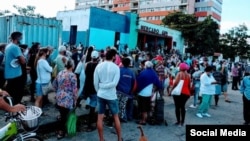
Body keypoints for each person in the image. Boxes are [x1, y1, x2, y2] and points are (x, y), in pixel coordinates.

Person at [94, 48, 122, 141]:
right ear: (114, 57)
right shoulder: (116, 67)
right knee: (115, 117)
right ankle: (119, 138)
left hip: (101, 94)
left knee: (100, 117)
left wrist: (100, 88)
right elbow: (114, 83)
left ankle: (101, 139)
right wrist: (104, 87)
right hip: (111, 95)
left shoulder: (99, 66)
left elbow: (95, 82)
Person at [52, 59, 78, 139]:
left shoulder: (60, 73)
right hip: (68, 99)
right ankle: (61, 132)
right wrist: (75, 100)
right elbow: (74, 90)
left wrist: (58, 92)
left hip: (59, 97)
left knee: (63, 114)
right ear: (72, 66)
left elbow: (54, 85)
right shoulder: (72, 76)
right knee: (64, 116)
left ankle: (60, 130)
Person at [136, 61, 162, 125]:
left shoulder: (143, 72)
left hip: (142, 93)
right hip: (149, 93)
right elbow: (158, 84)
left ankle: (143, 120)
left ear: (145, 66)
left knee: (142, 108)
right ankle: (146, 118)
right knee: (147, 107)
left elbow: (138, 81)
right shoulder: (154, 73)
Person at [4, 31, 26, 105]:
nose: (22, 38)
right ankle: (15, 109)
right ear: (18, 38)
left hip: (9, 73)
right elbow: (23, 61)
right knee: (16, 94)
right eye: (21, 37)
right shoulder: (15, 47)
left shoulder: (8, 46)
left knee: (9, 92)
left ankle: (9, 107)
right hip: (15, 74)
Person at [82, 50, 99, 132]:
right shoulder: (99, 66)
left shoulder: (86, 64)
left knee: (80, 99)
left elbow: (85, 74)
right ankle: (89, 125)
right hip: (94, 88)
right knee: (93, 107)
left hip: (86, 86)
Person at [117, 57, 135, 122]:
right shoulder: (131, 72)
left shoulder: (119, 70)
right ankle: (125, 117)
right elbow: (134, 82)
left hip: (119, 91)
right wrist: (131, 91)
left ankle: (120, 118)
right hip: (127, 92)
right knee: (124, 105)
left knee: (119, 105)